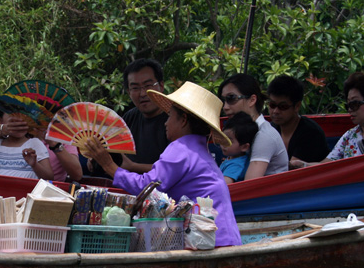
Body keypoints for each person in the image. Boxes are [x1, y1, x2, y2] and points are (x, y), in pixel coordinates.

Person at [81, 81, 242, 247]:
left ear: (183, 120)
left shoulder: (182, 148)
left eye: (170, 116)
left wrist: (109, 166)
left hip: (209, 240)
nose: (165, 123)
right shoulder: (199, 149)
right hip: (222, 237)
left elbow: (148, 187)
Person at [294, 72, 364, 167]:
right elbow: (326, 165)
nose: (350, 109)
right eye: (348, 105)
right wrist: (303, 165)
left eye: (354, 104)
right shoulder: (349, 136)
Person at [218, 73, 288, 179]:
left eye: (231, 98)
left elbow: (249, 185)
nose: (225, 107)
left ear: (252, 100)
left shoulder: (264, 136)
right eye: (223, 101)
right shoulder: (243, 130)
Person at [119, 58, 170, 173]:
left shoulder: (176, 120)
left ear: (161, 86)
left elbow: (174, 170)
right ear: (128, 92)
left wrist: (132, 166)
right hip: (127, 188)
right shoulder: (129, 118)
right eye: (135, 88)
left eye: (148, 85)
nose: (142, 94)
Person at [267, 75, 329, 169]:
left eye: (283, 106)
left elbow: (290, 168)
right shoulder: (271, 128)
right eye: (272, 105)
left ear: (297, 106)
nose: (275, 111)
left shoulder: (310, 132)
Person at [0, 113, 54, 179]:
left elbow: (49, 177)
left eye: (24, 116)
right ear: (0, 121)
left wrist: (35, 165)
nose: (19, 120)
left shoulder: (35, 144)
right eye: (13, 116)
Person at [220, 112, 258, 184]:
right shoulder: (232, 158)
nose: (223, 143)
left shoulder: (236, 164)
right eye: (223, 138)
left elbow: (225, 183)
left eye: (228, 141)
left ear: (244, 147)